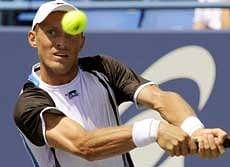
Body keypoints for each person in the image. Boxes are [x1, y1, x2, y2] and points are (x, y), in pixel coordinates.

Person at [13, 0, 227, 166]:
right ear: (33, 38)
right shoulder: (29, 104)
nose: (61, 42)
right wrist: (154, 130)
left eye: (71, 34)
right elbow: (83, 145)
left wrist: (196, 130)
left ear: (82, 42)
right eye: (51, 33)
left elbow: (161, 98)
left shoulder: (103, 68)